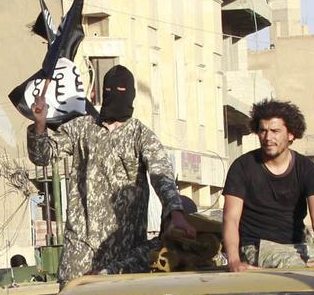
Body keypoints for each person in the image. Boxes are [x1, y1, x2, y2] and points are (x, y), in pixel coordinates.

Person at [28, 64, 195, 283]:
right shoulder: (81, 128)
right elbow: (42, 156)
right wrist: (39, 124)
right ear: (100, 92)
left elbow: (161, 175)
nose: (115, 95)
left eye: (122, 91)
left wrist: (175, 211)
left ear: (131, 95)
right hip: (80, 249)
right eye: (109, 90)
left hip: (123, 254)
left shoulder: (141, 135)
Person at [222, 100, 314, 272]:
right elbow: (230, 218)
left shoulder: (306, 168)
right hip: (256, 247)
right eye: (263, 130)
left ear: (291, 134)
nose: (268, 137)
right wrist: (233, 261)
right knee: (295, 269)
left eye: (275, 131)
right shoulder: (242, 167)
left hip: (297, 246)